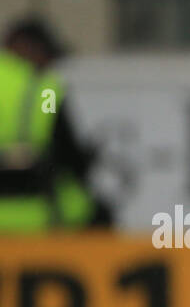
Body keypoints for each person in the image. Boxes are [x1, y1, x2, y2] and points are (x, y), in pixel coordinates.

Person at [0, 17, 111, 232]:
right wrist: (86, 159)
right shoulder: (45, 91)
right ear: (24, 47)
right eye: (47, 57)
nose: (49, 65)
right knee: (96, 213)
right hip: (34, 213)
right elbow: (65, 152)